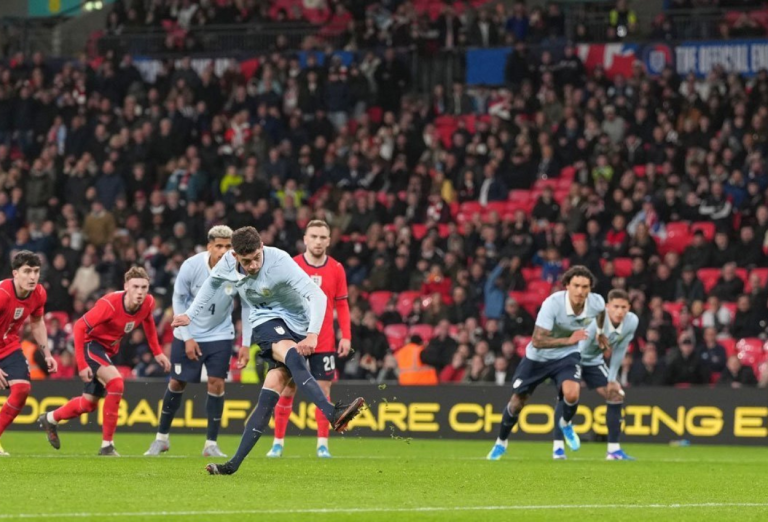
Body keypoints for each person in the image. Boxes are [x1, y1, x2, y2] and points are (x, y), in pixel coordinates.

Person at [171, 226, 364, 475]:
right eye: (246, 261)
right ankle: (332, 412)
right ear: (235, 256)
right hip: (264, 320)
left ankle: (232, 465)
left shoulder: (280, 261)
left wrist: (313, 333)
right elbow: (211, 285)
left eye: (255, 258)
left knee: (267, 399)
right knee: (292, 355)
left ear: (262, 247)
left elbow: (317, 295)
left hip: (298, 322)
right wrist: (189, 314)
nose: (252, 266)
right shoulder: (227, 264)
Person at [38, 267, 171, 456]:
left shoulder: (148, 303)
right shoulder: (110, 304)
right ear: (126, 287)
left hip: (107, 350)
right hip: (90, 345)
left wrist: (157, 352)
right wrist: (82, 364)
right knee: (116, 382)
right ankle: (107, 446)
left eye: (144, 287)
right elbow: (79, 326)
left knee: (88, 404)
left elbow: (148, 321)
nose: (140, 292)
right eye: (135, 287)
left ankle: (50, 419)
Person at [487, 266, 605, 461]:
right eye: (576, 286)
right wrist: (568, 339)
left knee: (572, 393)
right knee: (517, 403)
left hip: (567, 355)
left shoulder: (596, 302)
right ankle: (501, 442)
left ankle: (566, 423)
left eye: (585, 287)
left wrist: (599, 333)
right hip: (538, 357)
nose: (580, 291)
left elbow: (601, 314)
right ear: (567, 286)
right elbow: (537, 340)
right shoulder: (552, 304)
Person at [144, 226, 235, 458]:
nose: (224, 251)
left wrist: (245, 345)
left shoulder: (238, 268)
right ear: (209, 247)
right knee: (177, 383)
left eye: (228, 246)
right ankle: (161, 439)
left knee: (216, 383)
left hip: (220, 333)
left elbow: (246, 302)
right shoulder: (191, 266)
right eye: (219, 246)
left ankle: (210, 444)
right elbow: (178, 299)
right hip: (188, 332)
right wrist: (188, 337)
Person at [267, 220, 352, 459]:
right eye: (313, 236)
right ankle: (278, 443)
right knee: (287, 388)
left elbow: (342, 304)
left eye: (322, 237)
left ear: (329, 240)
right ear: (305, 238)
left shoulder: (336, 268)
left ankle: (322, 445)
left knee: (323, 390)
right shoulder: (292, 265)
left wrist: (346, 335)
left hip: (324, 340)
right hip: (294, 337)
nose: (318, 241)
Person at [557, 289, 637, 461]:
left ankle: (613, 451)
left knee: (615, 395)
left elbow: (620, 350)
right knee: (568, 395)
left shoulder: (632, 322)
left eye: (623, 307)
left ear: (629, 307)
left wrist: (611, 379)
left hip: (593, 361)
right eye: (615, 306)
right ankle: (558, 448)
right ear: (607, 307)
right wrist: (574, 375)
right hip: (572, 357)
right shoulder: (596, 322)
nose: (620, 311)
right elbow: (580, 349)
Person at [0, 251, 57, 456]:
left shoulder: (39, 293)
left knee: (22, 389)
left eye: (36, 271)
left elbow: (36, 322)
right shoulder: (2, 294)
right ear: (15, 273)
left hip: (9, 346)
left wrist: (47, 354)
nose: (32, 277)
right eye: (27, 271)